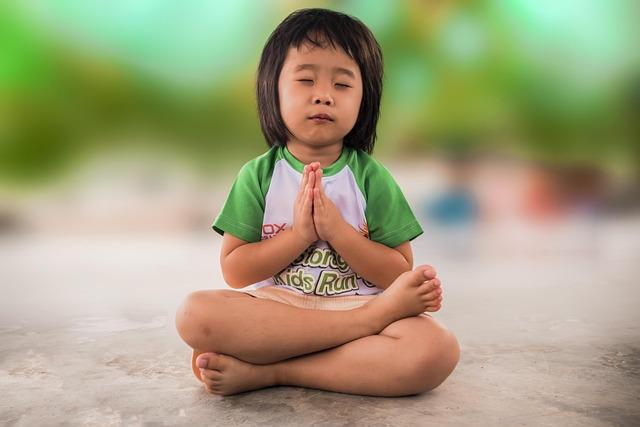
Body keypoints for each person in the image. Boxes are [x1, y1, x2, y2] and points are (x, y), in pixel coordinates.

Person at [175, 8, 460, 397]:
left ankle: (272, 372)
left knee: (436, 350)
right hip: (279, 310)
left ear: (365, 99)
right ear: (273, 89)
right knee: (195, 315)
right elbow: (236, 272)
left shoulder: (371, 178)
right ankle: (348, 338)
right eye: (305, 79)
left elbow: (397, 274)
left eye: (342, 85)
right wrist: (300, 235)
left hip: (358, 305)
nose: (323, 94)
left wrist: (337, 232)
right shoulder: (258, 176)